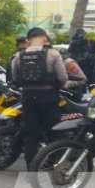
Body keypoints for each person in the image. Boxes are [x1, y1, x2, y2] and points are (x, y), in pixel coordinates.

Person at [11, 27, 68, 166]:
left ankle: (31, 166)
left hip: (28, 97)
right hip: (49, 97)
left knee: (31, 134)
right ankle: (54, 162)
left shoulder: (18, 56)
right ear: (44, 38)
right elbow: (63, 78)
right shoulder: (53, 54)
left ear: (28, 41)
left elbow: (15, 78)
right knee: (54, 131)